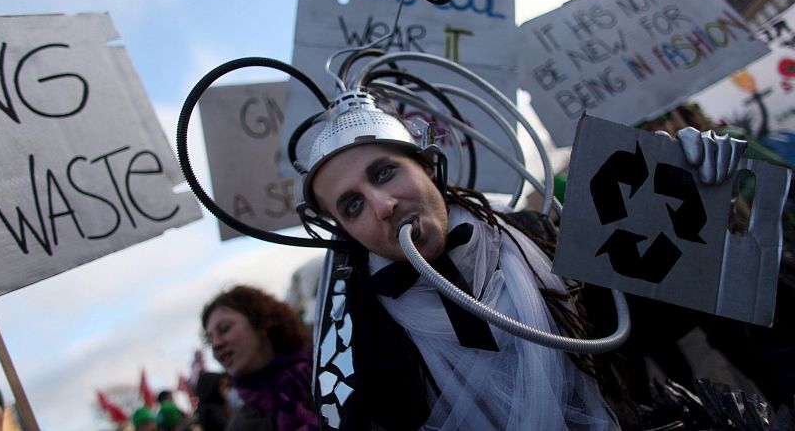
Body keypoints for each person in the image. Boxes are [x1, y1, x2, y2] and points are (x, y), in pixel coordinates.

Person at [297, 92, 746, 430]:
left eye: (384, 173)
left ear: (427, 166)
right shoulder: (360, 329)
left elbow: (651, 320)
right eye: (352, 205)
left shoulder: (535, 232)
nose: (382, 206)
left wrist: (695, 194)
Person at [201, 285, 319, 431]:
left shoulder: (327, 366)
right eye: (210, 340)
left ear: (260, 322)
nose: (216, 344)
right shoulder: (241, 427)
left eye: (225, 328)